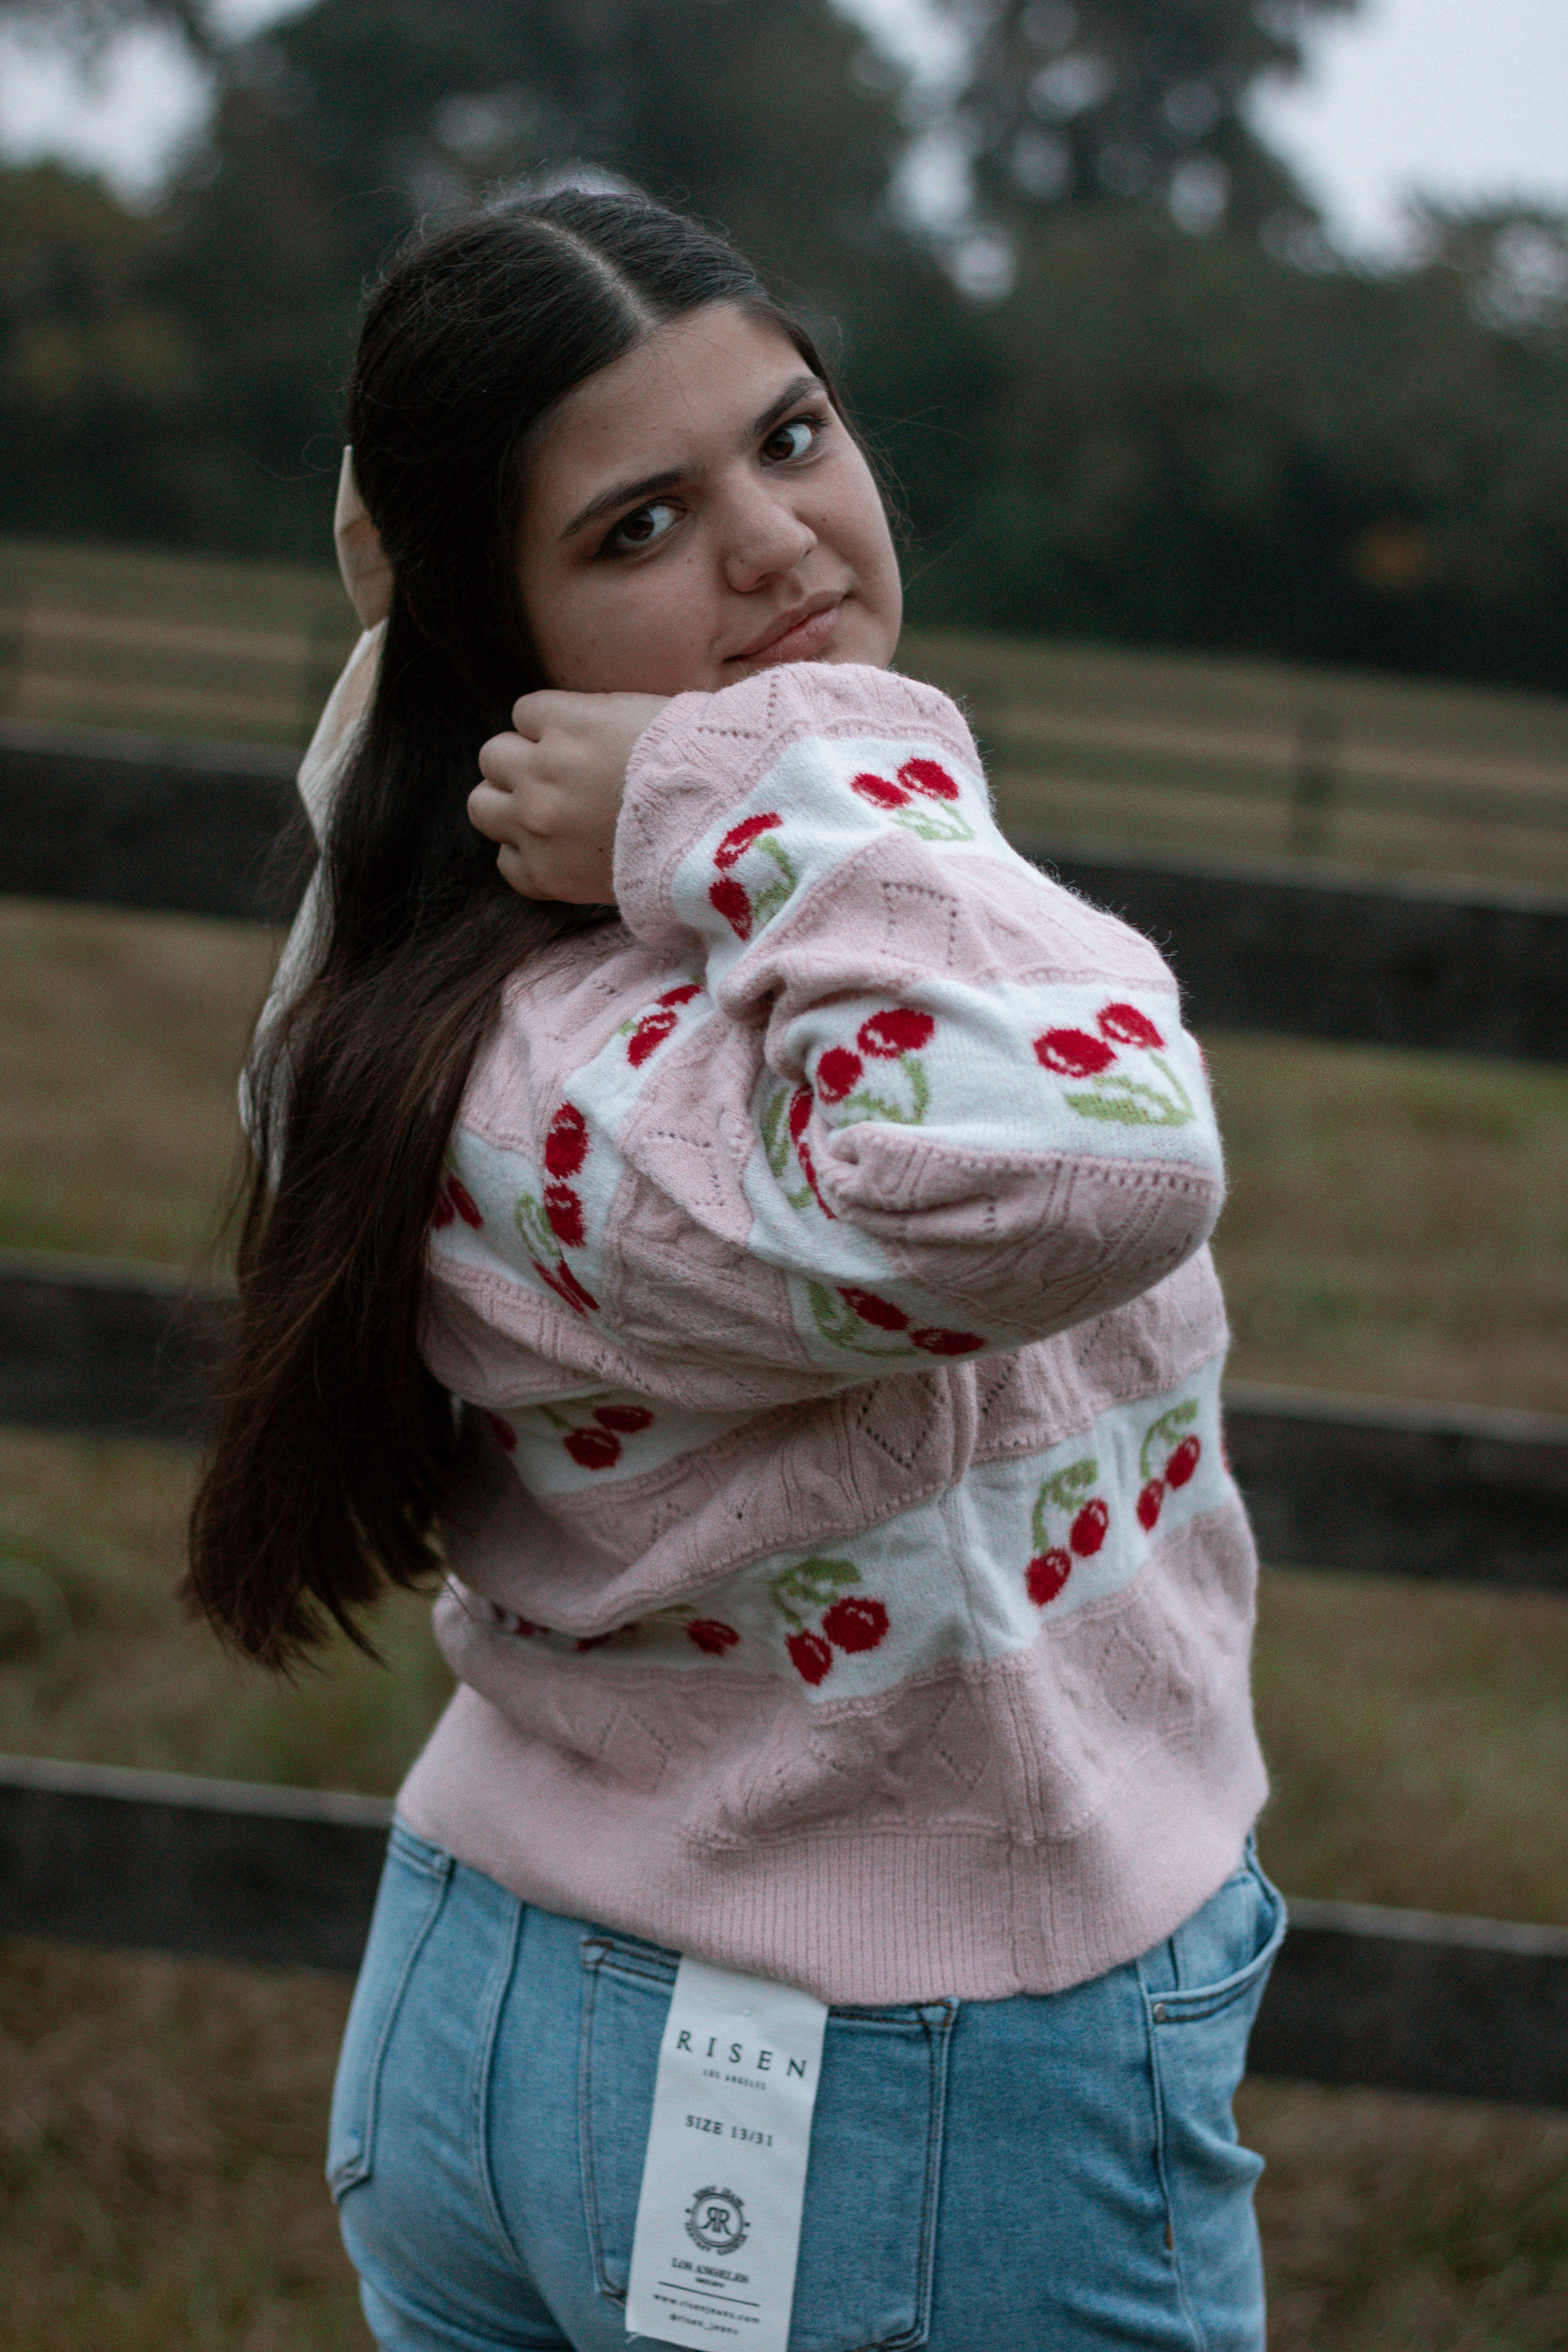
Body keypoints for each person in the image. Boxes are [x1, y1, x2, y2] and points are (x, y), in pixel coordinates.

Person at [187, 186, 1283, 2352]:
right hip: (887, 2084)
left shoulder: (717, 938)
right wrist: (769, 774)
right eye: (639, 527)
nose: (779, 542)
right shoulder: (595, 1057)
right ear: (491, 646)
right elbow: (1099, 1149)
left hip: (541, 2004)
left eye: (792, 438)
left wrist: (741, 811)